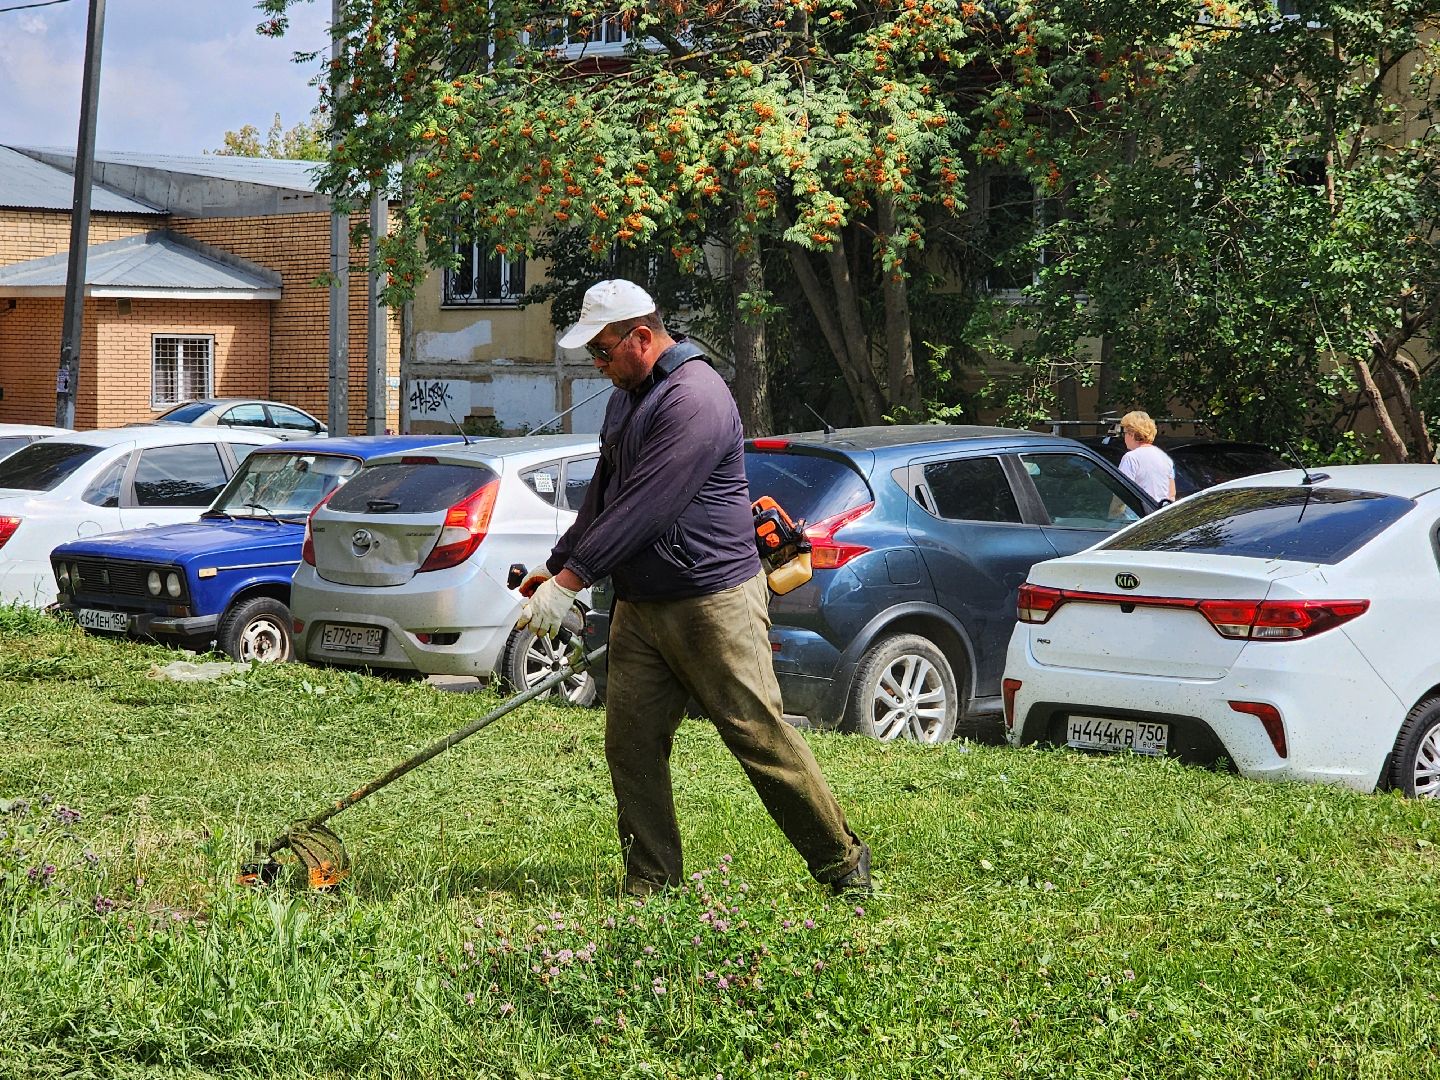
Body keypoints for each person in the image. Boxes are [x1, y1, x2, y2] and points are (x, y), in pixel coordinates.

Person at [516, 279, 871, 898]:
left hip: (713, 600)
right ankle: (651, 883)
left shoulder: (696, 397)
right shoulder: (626, 398)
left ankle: (842, 864)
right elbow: (605, 496)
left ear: (642, 337)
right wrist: (558, 565)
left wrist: (575, 580)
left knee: (755, 735)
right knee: (631, 744)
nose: (597, 365)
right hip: (641, 605)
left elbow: (649, 506)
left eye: (602, 351)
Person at [1117, 410, 1176, 504]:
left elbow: (1122, 494)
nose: (1124, 437)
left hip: (1138, 512)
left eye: (1124, 433)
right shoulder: (1165, 458)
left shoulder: (1131, 458)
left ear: (1132, 434)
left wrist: (1113, 512)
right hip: (1162, 510)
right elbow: (1171, 494)